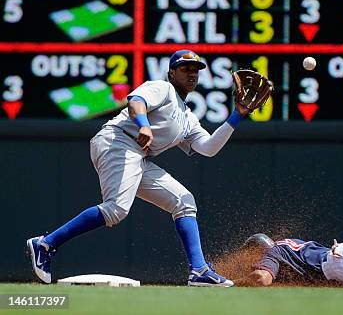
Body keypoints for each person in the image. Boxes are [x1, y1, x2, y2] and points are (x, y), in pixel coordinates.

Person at [26, 50, 249, 287]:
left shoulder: (188, 117)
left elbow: (208, 148)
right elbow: (136, 102)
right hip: (117, 141)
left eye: (195, 70)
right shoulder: (162, 88)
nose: (191, 73)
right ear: (172, 73)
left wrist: (238, 114)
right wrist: (144, 125)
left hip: (137, 156)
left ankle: (199, 270)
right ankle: (45, 244)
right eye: (185, 69)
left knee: (184, 201)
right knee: (116, 210)